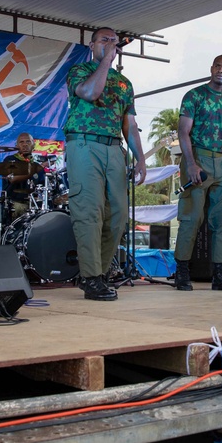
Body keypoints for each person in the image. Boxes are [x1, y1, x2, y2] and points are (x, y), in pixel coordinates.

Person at [63, 27, 146, 301]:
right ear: (92, 45)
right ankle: (91, 276)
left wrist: (141, 158)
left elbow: (129, 125)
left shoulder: (125, 84)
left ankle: (97, 271)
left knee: (119, 214)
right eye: (104, 40)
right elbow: (90, 92)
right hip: (85, 144)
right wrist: (107, 61)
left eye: (113, 41)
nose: (110, 44)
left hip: (115, 149)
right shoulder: (80, 72)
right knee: (89, 211)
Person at [174, 55, 222, 292]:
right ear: (211, 69)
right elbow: (183, 132)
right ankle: (181, 272)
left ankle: (220, 274)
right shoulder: (194, 96)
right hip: (197, 159)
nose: (220, 70)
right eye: (217, 66)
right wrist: (190, 164)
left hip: (221, 163)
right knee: (192, 217)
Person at [2, 132, 45, 222]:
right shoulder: (10, 160)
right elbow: (13, 178)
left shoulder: (36, 165)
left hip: (34, 204)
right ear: (16, 145)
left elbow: (43, 187)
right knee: (19, 207)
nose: (25, 144)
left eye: (28, 142)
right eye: (21, 142)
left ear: (33, 145)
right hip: (15, 203)